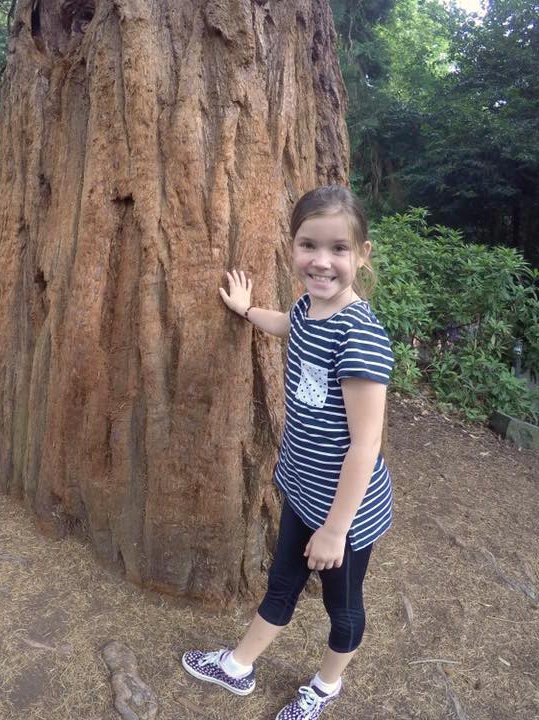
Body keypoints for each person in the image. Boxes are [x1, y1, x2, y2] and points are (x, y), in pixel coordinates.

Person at [181, 186, 394, 720]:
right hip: (303, 491)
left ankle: (326, 686)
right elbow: (289, 325)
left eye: (339, 249)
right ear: (292, 246)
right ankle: (237, 667)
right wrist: (247, 310)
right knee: (282, 583)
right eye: (309, 245)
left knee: (341, 607)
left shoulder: (360, 335)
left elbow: (367, 445)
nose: (322, 261)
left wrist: (336, 529)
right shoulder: (307, 306)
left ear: (362, 254)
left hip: (347, 512)